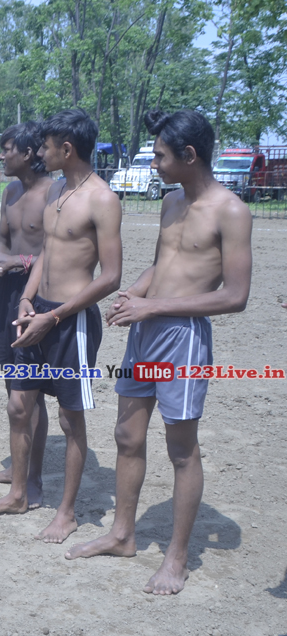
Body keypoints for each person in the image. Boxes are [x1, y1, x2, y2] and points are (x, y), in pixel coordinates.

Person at [66, 110, 252, 595]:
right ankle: (122, 535)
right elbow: (161, 264)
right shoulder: (171, 201)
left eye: (161, 156)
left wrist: (154, 306)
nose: (154, 164)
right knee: (127, 434)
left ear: (190, 155)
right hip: (145, 329)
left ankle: (177, 557)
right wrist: (135, 292)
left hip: (182, 337)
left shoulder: (231, 211)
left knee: (181, 449)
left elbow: (235, 295)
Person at [11, 108, 122, 543]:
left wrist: (53, 316)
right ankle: (19, 493)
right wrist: (26, 299)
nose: (40, 153)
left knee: (69, 419)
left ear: (68, 149)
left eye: (46, 146)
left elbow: (111, 276)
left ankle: (67, 513)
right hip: (36, 309)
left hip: (70, 320)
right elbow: (46, 252)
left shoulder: (102, 199)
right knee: (19, 406)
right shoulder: (57, 189)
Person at [0, 122, 54, 514]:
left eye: (7, 149)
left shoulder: (54, 194)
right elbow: (3, 242)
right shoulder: (10, 191)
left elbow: (60, 254)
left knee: (30, 392)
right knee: (12, 385)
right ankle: (17, 470)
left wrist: (18, 261)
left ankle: (32, 479)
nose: (1, 156)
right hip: (7, 295)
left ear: (28, 153)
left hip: (36, 298)